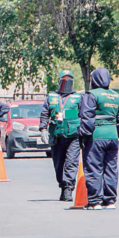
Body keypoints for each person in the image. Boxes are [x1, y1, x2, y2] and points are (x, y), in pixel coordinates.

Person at [78, 68, 119, 210]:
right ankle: (110, 201)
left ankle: (95, 201)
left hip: (96, 136)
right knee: (111, 168)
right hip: (112, 136)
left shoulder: (91, 95)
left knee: (94, 167)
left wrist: (83, 137)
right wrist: (115, 133)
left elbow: (87, 117)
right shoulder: (116, 96)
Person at [39, 70, 82, 201]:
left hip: (73, 136)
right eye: (64, 79)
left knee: (71, 163)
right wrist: (43, 129)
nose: (66, 82)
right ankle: (62, 186)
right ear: (59, 81)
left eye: (69, 79)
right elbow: (44, 113)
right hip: (56, 135)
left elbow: (84, 115)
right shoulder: (51, 97)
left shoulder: (78, 98)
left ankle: (68, 188)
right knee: (58, 164)